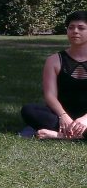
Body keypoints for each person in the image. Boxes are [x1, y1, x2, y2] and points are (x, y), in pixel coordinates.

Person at [21, 11, 87, 140]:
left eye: (81, 28)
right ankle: (77, 134)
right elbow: (50, 95)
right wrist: (64, 116)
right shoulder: (54, 60)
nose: (75, 31)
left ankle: (59, 135)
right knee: (29, 110)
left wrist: (85, 119)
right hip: (61, 114)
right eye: (71, 27)